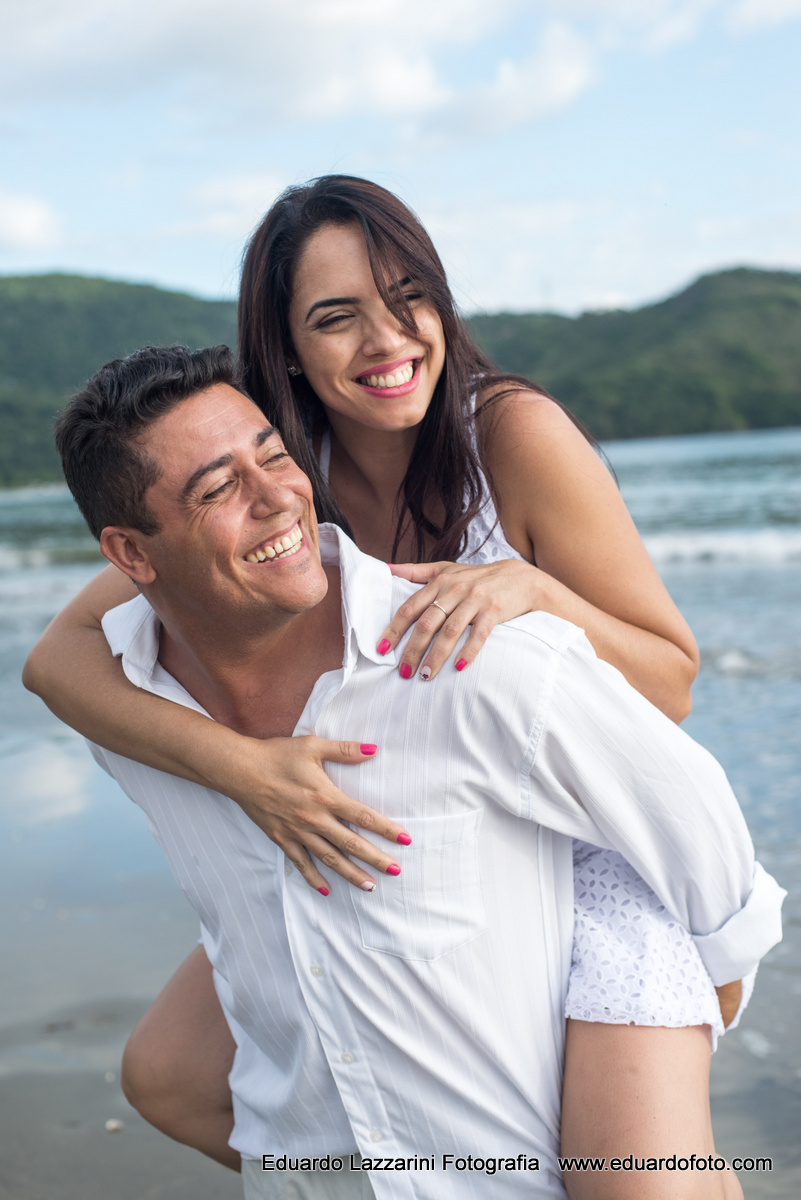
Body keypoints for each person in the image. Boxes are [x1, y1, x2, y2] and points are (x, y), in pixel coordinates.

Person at [23, 176, 738, 1190]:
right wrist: (244, 770)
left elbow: (672, 682)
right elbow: (59, 659)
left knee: (634, 1173)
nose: (386, 339)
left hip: (589, 835)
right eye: (335, 318)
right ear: (286, 350)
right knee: (169, 1077)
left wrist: (533, 593)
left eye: (409, 297)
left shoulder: (511, 435)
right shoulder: (273, 468)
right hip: (406, 835)